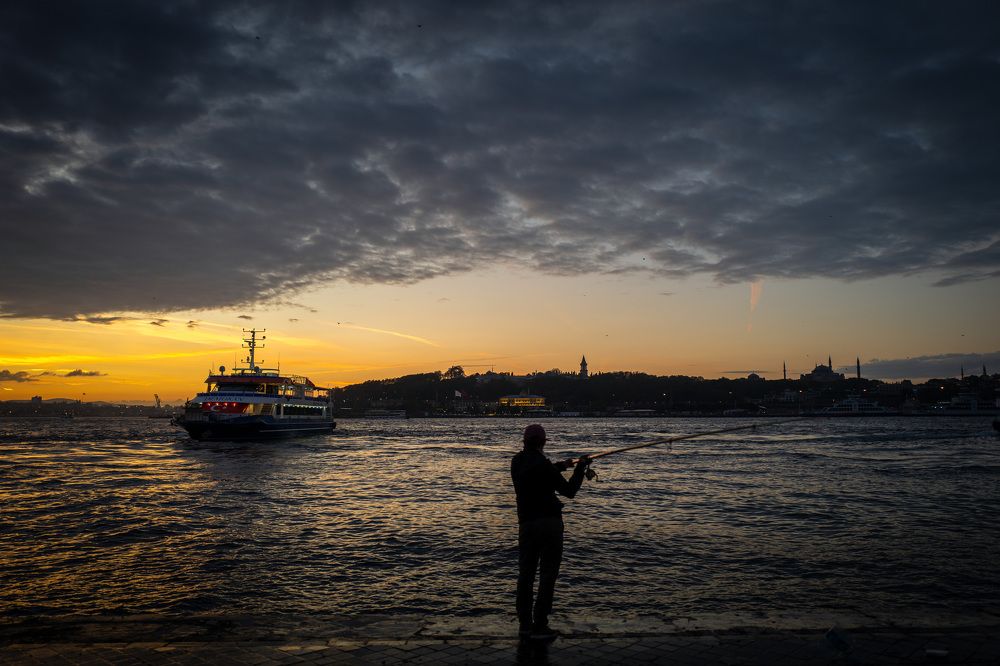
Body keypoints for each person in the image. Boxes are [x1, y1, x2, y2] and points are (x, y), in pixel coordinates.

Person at [510, 423, 591, 639]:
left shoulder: (516, 462)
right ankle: (541, 625)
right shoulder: (544, 465)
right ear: (543, 442)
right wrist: (580, 467)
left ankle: (525, 624)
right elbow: (569, 491)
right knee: (547, 575)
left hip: (526, 525)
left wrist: (560, 465)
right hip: (549, 525)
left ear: (524, 442)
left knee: (525, 575)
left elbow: (537, 472)